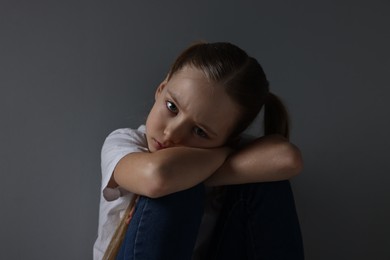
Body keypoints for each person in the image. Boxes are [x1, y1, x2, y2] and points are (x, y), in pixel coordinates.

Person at [93, 42, 304, 260]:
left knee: (267, 183)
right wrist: (221, 157)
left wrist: (206, 168)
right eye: (172, 107)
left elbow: (289, 158)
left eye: (199, 131)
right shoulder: (124, 142)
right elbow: (158, 177)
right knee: (177, 182)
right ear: (161, 89)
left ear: (229, 139)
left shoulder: (224, 149)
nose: (172, 133)